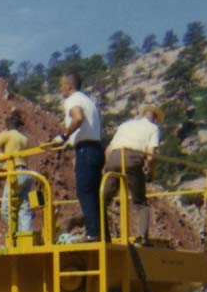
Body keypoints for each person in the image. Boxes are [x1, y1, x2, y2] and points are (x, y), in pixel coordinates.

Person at [101, 104, 163, 243]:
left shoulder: (126, 125)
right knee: (140, 202)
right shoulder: (153, 128)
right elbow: (152, 156)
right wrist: (150, 173)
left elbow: (108, 149)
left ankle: (102, 235)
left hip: (113, 158)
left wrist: (106, 168)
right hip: (132, 159)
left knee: (103, 200)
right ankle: (143, 237)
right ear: (155, 118)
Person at [53, 74, 104, 240]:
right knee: (96, 194)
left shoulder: (72, 99)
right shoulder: (88, 100)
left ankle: (93, 234)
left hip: (85, 151)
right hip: (96, 149)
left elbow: (78, 117)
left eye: (61, 85)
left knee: (85, 193)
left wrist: (64, 136)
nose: (60, 89)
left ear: (68, 86)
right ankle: (102, 234)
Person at [0, 109, 39, 233]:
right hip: (26, 174)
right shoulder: (24, 139)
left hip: (15, 174)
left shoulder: (6, 135)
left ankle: (17, 234)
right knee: (24, 207)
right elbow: (17, 158)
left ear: (7, 125)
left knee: (6, 210)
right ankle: (27, 236)